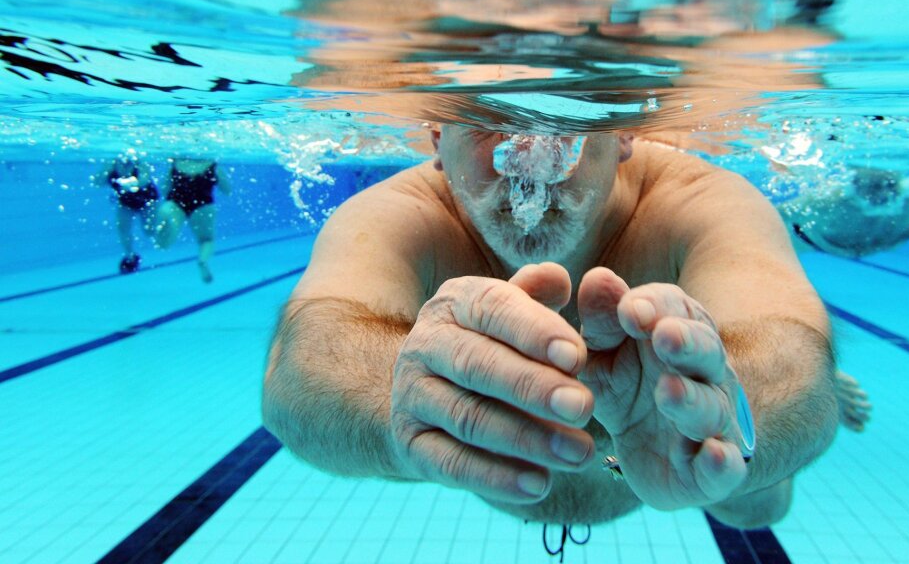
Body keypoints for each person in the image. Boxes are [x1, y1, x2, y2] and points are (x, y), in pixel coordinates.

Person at [263, 127, 842, 531]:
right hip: (577, 484)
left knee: (754, 507)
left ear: (621, 132)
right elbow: (306, 361)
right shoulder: (405, 213)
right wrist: (403, 405)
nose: (528, 158)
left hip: (674, 482)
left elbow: (790, 354)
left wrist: (718, 420)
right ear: (438, 137)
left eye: (566, 119)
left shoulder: (693, 200)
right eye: (488, 119)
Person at [779, 167, 909, 259]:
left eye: (888, 185)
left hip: (864, 245)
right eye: (872, 187)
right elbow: (779, 212)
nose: (880, 194)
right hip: (815, 242)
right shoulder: (828, 199)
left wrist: (903, 238)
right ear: (854, 182)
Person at [154, 157, 231, 283]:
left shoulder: (176, 162)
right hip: (203, 203)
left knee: (163, 243)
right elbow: (227, 190)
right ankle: (203, 260)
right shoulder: (212, 164)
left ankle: (169, 221)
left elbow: (164, 189)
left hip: (177, 202)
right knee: (206, 239)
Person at [93, 150, 161, 274]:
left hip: (147, 199)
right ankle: (130, 257)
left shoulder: (140, 162)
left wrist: (131, 183)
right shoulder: (111, 164)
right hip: (126, 200)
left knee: (149, 231)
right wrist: (105, 171)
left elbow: (144, 180)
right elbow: (97, 182)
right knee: (122, 228)